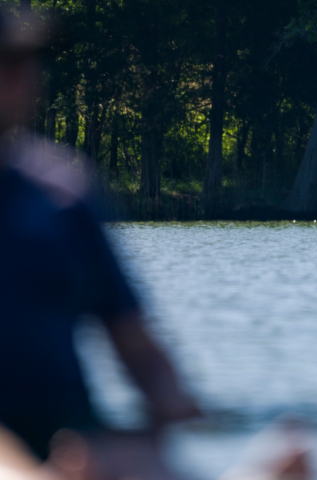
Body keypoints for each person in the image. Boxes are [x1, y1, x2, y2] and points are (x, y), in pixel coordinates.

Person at [0, 9, 200, 460]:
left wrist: (175, 409)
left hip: (71, 437)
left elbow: (136, 347)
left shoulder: (63, 193)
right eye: (5, 63)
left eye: (24, 63)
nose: (20, 78)